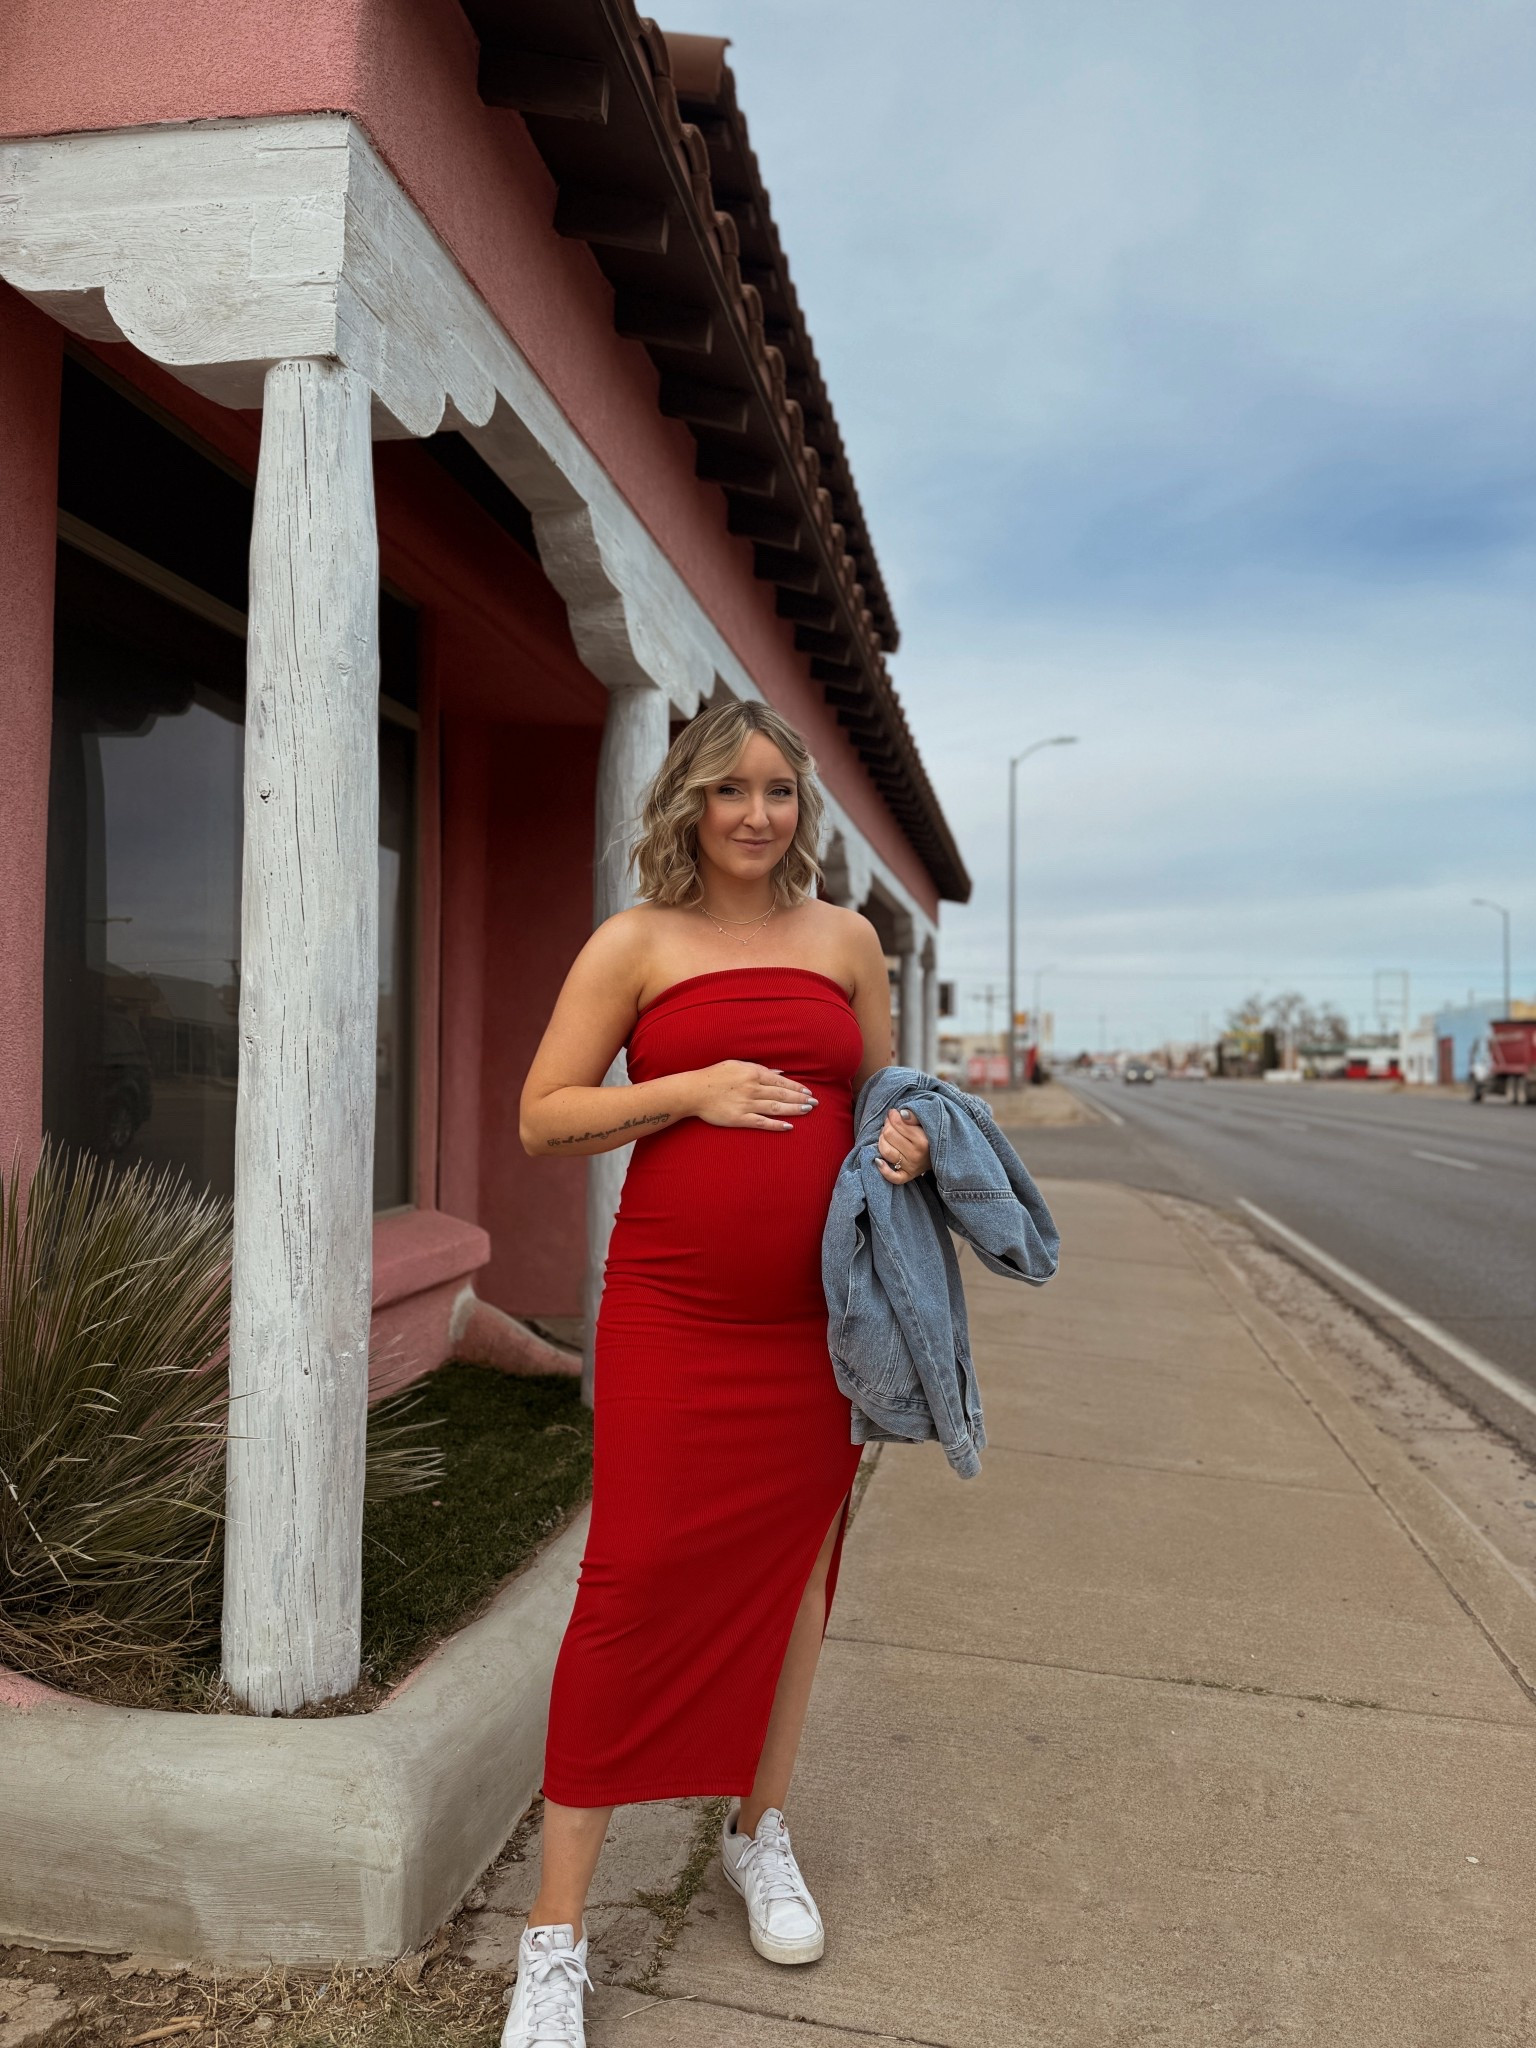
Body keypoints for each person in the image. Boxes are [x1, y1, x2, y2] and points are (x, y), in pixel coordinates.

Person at [505, 699, 930, 2047]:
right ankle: (555, 1935)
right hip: (674, 1318)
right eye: (731, 790)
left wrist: (908, 1141)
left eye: (779, 791)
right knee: (627, 1586)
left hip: (819, 1327)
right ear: (687, 800)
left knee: (798, 1577)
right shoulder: (634, 943)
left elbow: (882, 1100)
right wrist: (687, 1093)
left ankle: (759, 1830)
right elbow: (544, 1118)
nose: (757, 814)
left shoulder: (848, 941)